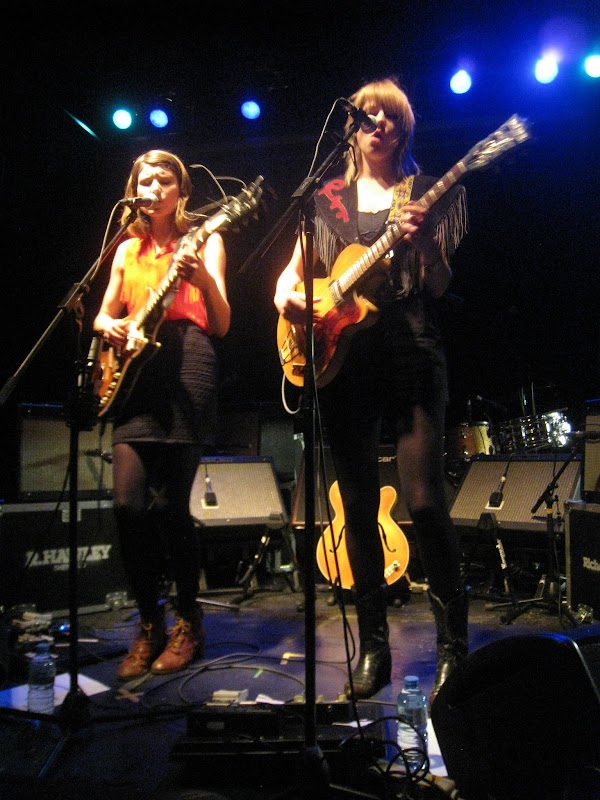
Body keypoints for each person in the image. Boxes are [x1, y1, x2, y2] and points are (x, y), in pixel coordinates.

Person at [274, 77, 468, 704]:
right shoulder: (324, 199)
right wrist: (297, 302)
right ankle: (374, 651)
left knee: (425, 502)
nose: (377, 122)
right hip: (341, 358)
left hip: (411, 346)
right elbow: (286, 283)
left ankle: (454, 650)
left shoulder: (424, 193)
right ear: (352, 128)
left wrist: (426, 242)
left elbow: (439, 285)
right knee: (355, 507)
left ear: (404, 130)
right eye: (367, 114)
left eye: (390, 115)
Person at [93, 149, 230, 681]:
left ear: (181, 190)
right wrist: (107, 325)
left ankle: (188, 621)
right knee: (127, 504)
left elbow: (221, 321)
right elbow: (105, 313)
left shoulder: (205, 239)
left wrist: (204, 281)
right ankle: (148, 622)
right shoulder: (126, 249)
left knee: (171, 507)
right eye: (144, 180)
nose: (153, 187)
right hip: (133, 373)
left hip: (189, 360)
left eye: (163, 179)